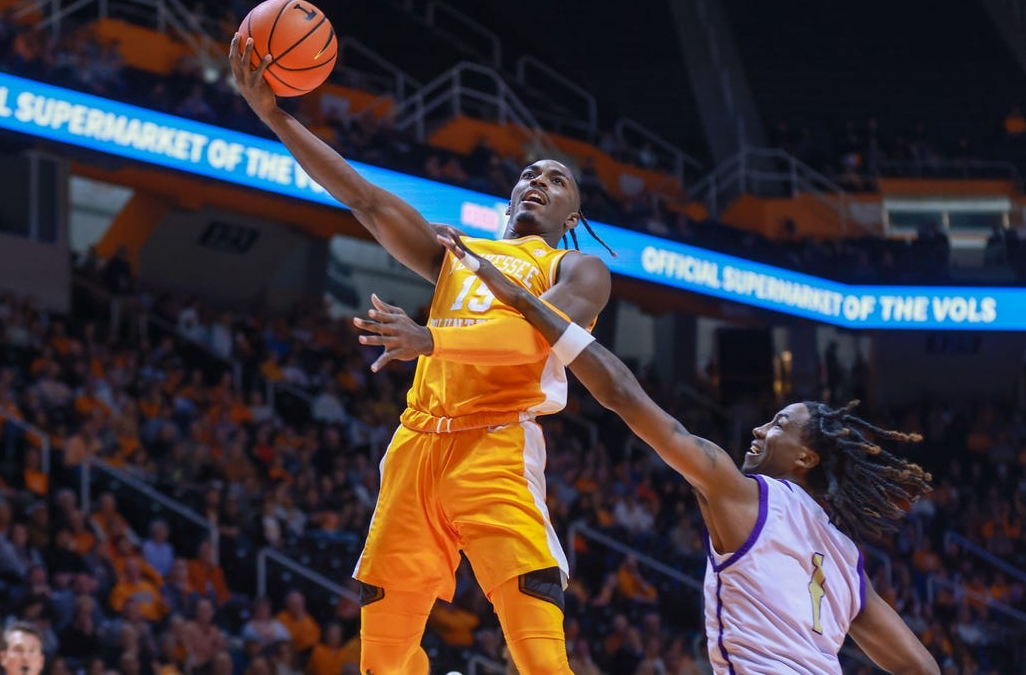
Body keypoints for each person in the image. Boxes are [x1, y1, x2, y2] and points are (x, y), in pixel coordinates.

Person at [382, 232, 940, 675]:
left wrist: (529, 304)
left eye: (779, 424)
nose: (760, 427)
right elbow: (919, 666)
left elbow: (625, 397)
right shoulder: (844, 557)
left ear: (806, 459)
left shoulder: (741, 491)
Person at [230, 32, 613, 675]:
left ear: (573, 212)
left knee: (539, 655)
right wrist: (274, 114)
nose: (538, 181)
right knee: (381, 658)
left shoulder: (576, 266)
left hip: (495, 447)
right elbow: (363, 198)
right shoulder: (457, 257)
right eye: (529, 173)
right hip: (415, 449)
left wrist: (431, 338)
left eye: (557, 179)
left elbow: (532, 340)